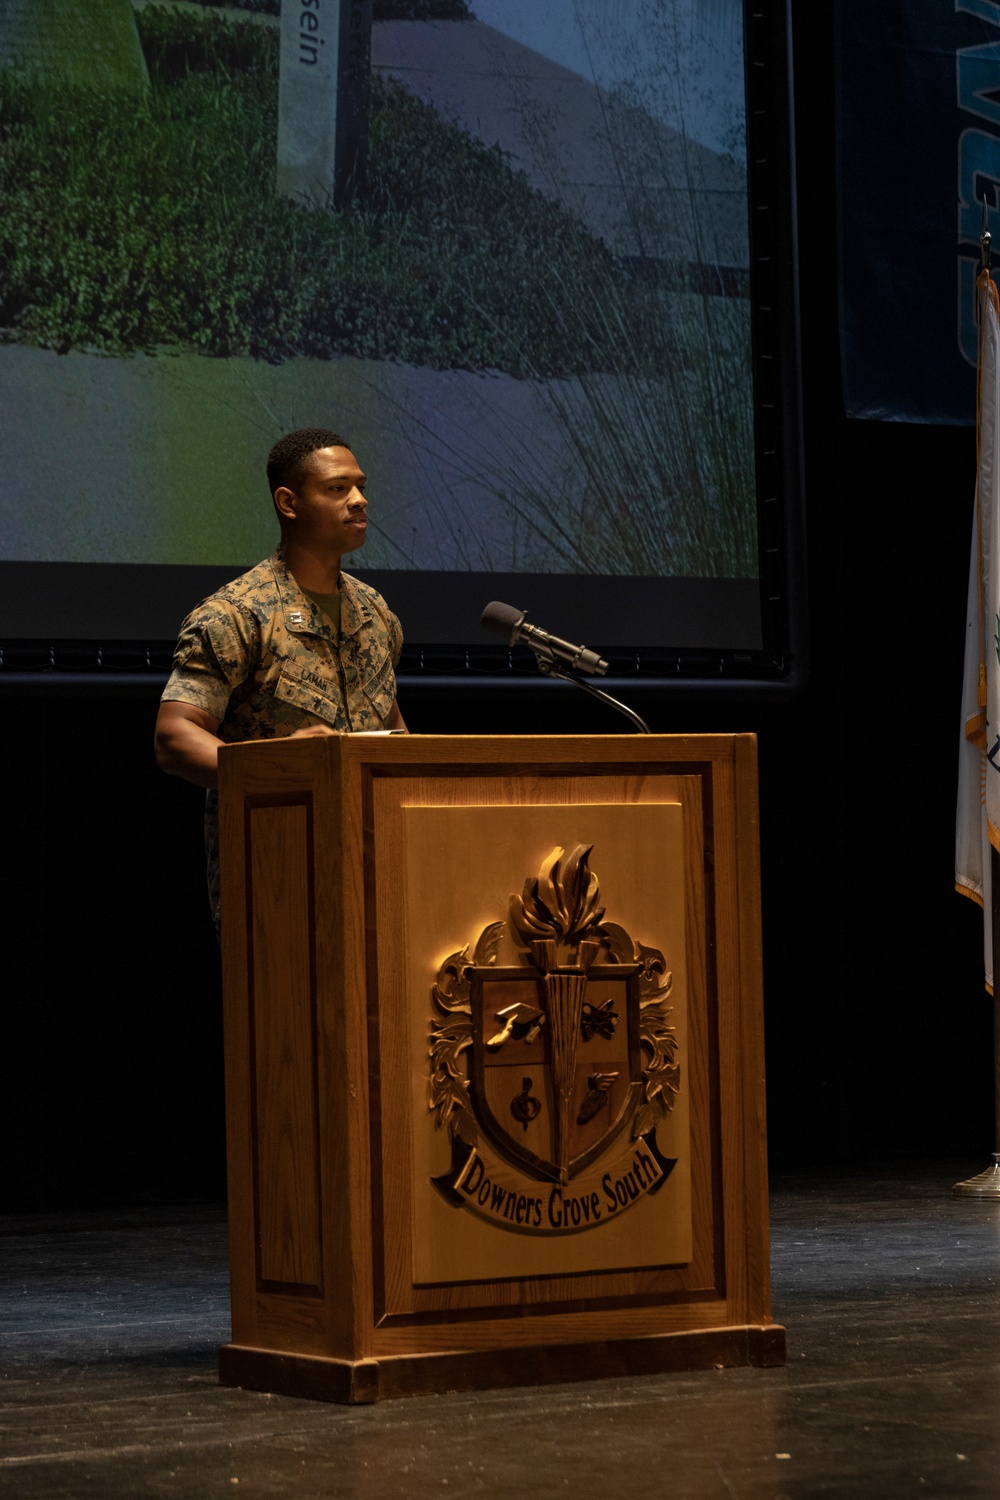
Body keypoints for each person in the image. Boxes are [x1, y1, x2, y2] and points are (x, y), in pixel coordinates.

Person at [154, 427, 407, 932]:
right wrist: (281, 766)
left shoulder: (375, 611)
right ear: (289, 502)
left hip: (378, 868)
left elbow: (392, 727)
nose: (360, 500)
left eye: (360, 486)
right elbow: (173, 737)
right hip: (276, 869)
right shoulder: (237, 614)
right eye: (338, 489)